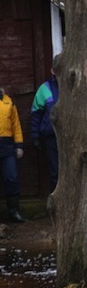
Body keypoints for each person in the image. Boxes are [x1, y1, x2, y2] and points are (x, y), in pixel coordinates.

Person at [31, 55, 60, 192]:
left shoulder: (73, 87)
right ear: (52, 71)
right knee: (55, 171)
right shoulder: (45, 88)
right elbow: (36, 113)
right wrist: (35, 136)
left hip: (70, 136)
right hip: (51, 136)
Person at [0, 88, 26, 222]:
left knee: (11, 177)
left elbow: (16, 126)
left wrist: (19, 145)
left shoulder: (8, 102)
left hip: (7, 146)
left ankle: (13, 212)